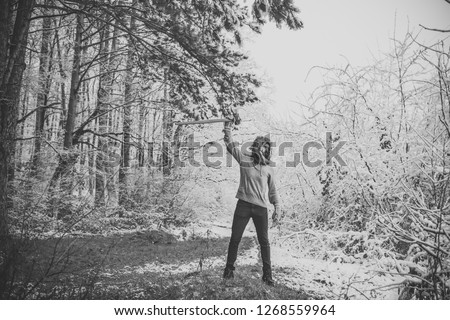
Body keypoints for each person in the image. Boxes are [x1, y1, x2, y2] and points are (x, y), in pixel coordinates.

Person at [222, 122, 280, 286]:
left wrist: (277, 207)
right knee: (235, 238)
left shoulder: (269, 169)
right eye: (262, 147)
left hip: (261, 208)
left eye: (267, 148)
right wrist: (228, 128)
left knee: (264, 242)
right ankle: (228, 271)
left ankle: (267, 276)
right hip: (244, 205)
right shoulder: (244, 160)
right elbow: (230, 144)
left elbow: (273, 191)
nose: (264, 150)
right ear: (256, 147)